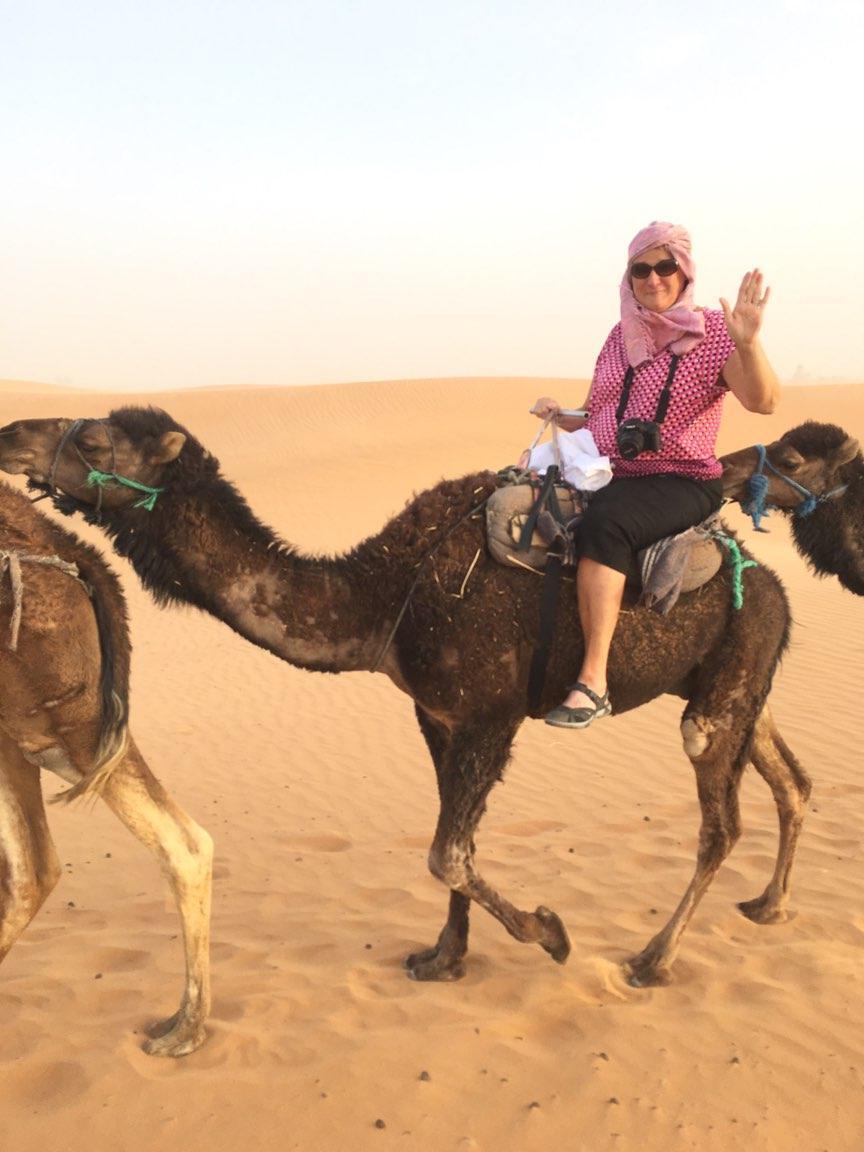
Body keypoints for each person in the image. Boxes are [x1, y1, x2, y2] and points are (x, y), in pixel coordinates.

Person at [530, 221, 779, 730]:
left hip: (681, 478)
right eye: (641, 269)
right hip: (612, 469)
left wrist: (748, 345)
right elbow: (602, 412)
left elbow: (764, 402)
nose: (653, 278)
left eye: (665, 266)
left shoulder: (712, 335)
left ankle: (593, 681)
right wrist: (562, 414)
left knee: (606, 527)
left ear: (684, 272)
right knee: (527, 501)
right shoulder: (620, 337)